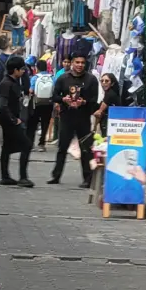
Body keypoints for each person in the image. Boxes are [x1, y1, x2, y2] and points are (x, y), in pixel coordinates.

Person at [48, 50, 99, 188]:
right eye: (77, 62)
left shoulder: (91, 79)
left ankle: (87, 178)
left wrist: (84, 102)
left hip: (83, 118)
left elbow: (95, 101)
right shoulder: (63, 78)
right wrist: (63, 99)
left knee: (86, 149)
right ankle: (56, 176)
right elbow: (54, 96)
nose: (80, 65)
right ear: (71, 63)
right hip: (66, 117)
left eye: (82, 62)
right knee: (62, 147)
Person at [0, 56, 33, 188]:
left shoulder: (13, 82)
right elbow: (3, 105)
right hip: (9, 121)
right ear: (15, 70)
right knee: (27, 145)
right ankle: (23, 177)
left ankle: (5, 176)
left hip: (9, 119)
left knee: (6, 148)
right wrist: (13, 119)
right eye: (22, 69)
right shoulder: (7, 83)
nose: (23, 72)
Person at [26, 59, 54, 152]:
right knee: (45, 124)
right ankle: (42, 144)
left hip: (36, 104)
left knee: (32, 124)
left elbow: (31, 90)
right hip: (48, 104)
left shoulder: (35, 78)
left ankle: (30, 144)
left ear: (37, 68)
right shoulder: (52, 77)